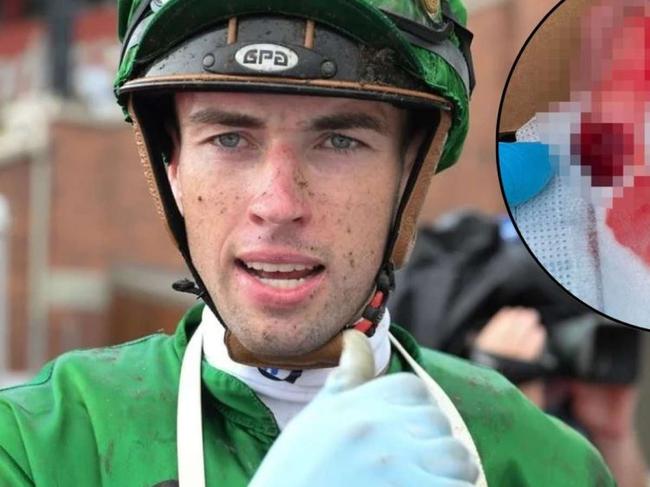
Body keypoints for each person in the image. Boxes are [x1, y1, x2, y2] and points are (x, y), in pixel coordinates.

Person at [0, 1, 614, 486]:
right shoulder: (33, 446)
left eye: (340, 141)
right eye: (229, 139)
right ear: (173, 168)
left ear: (409, 174)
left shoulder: (542, 464)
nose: (279, 204)